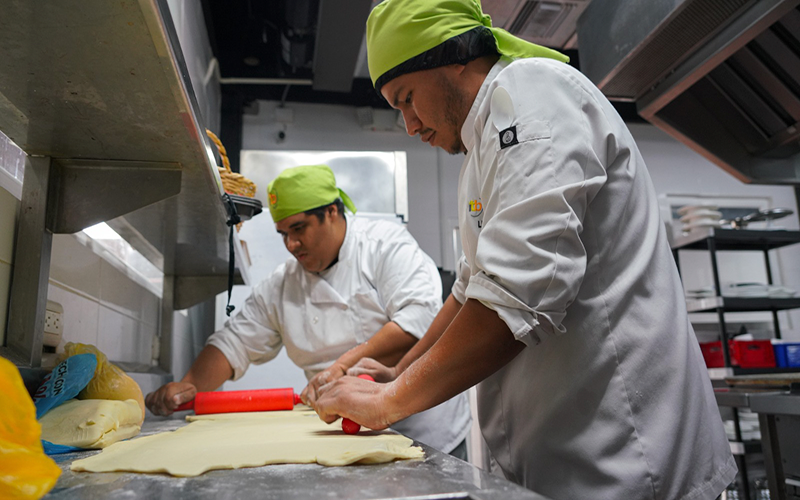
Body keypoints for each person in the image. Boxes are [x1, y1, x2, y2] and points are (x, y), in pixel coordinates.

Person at [311, 1, 737, 498]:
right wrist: (396, 373)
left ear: (454, 58)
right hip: (562, 458)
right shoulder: (480, 147)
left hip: (626, 452)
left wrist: (389, 402)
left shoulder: (534, 93)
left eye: (406, 98)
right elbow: (469, 290)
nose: (408, 124)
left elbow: (517, 292)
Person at [145, 164, 471, 458]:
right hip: (342, 433)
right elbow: (233, 343)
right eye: (283, 234)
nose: (290, 245)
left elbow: (418, 320)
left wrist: (341, 366)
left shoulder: (384, 245)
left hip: (422, 427)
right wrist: (188, 386)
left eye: (299, 229)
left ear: (331, 212)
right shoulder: (283, 285)